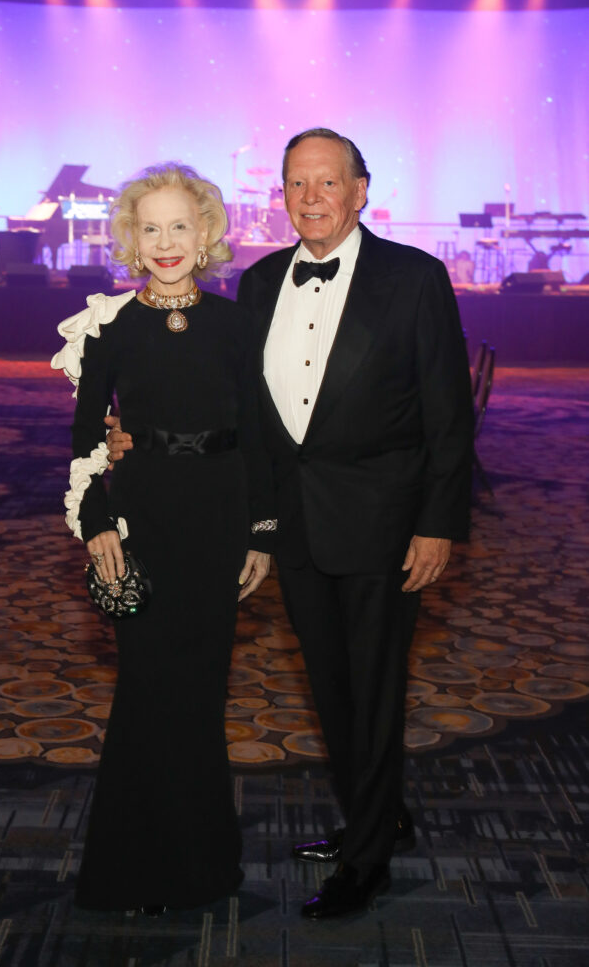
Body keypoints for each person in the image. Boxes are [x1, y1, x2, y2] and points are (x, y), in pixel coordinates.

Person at [107, 129, 474, 920]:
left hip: (384, 521)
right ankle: (378, 815)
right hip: (297, 525)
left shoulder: (414, 279)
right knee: (331, 688)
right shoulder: (263, 281)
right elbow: (239, 410)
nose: (309, 197)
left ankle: (367, 855)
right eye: (294, 184)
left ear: (359, 191)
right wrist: (138, 436)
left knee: (375, 690)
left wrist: (437, 523)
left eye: (325, 182)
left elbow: (449, 416)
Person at [51, 162, 275, 914]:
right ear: (130, 238)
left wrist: (260, 533)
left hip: (216, 519)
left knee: (201, 692)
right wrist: (96, 525)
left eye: (181, 225)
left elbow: (262, 438)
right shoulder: (109, 326)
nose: (167, 241)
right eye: (151, 228)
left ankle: (201, 864)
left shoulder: (236, 323)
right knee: (147, 690)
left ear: (207, 233)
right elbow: (86, 438)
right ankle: (126, 868)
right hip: (140, 520)